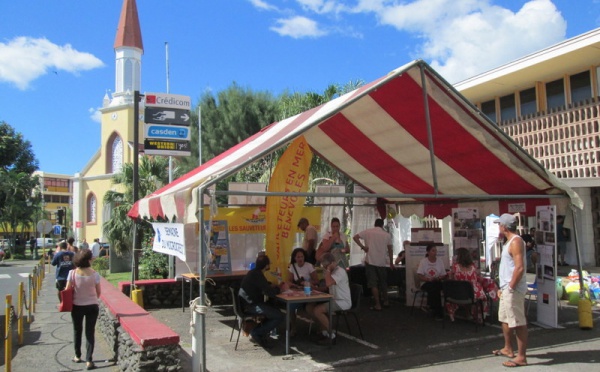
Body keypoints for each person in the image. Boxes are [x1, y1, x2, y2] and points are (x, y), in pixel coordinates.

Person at [492, 213, 528, 368]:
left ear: (504, 227)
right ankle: (508, 348)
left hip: (513, 288)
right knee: (505, 318)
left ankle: (521, 357)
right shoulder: (509, 242)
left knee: (518, 322)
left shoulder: (516, 241)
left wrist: (511, 287)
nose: (498, 226)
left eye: (500, 224)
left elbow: (519, 267)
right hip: (506, 287)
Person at [239, 254, 288, 348]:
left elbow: (264, 285)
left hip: (246, 304)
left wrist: (272, 286)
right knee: (279, 316)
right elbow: (270, 293)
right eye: (269, 264)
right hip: (250, 306)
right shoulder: (258, 275)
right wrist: (280, 289)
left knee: (273, 308)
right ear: (266, 266)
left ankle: (261, 332)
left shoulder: (253, 273)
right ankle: (257, 332)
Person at [65, 248, 101, 370]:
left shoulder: (72, 273)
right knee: (90, 333)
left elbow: (67, 290)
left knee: (77, 330)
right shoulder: (95, 274)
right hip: (92, 306)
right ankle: (89, 360)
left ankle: (77, 355)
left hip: (77, 306)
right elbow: (99, 293)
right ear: (89, 260)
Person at [305, 252, 351, 345]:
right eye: (324, 266)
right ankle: (324, 332)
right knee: (310, 307)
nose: (325, 268)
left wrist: (328, 271)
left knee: (318, 310)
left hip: (342, 301)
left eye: (326, 266)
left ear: (333, 263)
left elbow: (328, 283)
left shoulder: (339, 271)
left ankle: (331, 335)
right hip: (333, 299)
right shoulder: (332, 272)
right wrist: (314, 288)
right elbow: (326, 288)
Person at [353, 218, 394, 311]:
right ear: (382, 225)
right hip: (381, 262)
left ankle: (378, 304)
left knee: (373, 284)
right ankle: (386, 301)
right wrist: (391, 262)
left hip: (370, 261)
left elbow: (355, 237)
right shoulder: (386, 235)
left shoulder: (367, 232)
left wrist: (363, 247)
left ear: (374, 224)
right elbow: (390, 250)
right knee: (383, 282)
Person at [446, 248, 488, 323]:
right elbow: (477, 278)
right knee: (482, 297)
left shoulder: (455, 267)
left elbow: (451, 279)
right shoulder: (473, 267)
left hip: (457, 294)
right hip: (472, 294)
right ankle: (479, 315)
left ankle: (465, 313)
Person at [286, 247, 317, 336]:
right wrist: (295, 285)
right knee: (291, 306)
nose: (300, 259)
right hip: (298, 293)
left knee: (312, 308)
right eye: (298, 257)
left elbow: (316, 281)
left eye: (302, 257)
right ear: (294, 258)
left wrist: (307, 283)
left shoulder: (309, 266)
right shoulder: (292, 266)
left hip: (309, 293)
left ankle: (320, 327)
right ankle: (293, 328)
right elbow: (289, 281)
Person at [416, 244, 448, 320]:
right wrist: (428, 279)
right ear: (428, 252)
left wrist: (439, 277)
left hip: (437, 281)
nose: (435, 252)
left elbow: (444, 274)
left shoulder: (440, 261)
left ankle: (432, 307)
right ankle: (438, 312)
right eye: (433, 250)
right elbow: (420, 275)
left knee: (435, 286)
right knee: (434, 287)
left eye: (436, 250)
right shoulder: (423, 261)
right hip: (426, 282)